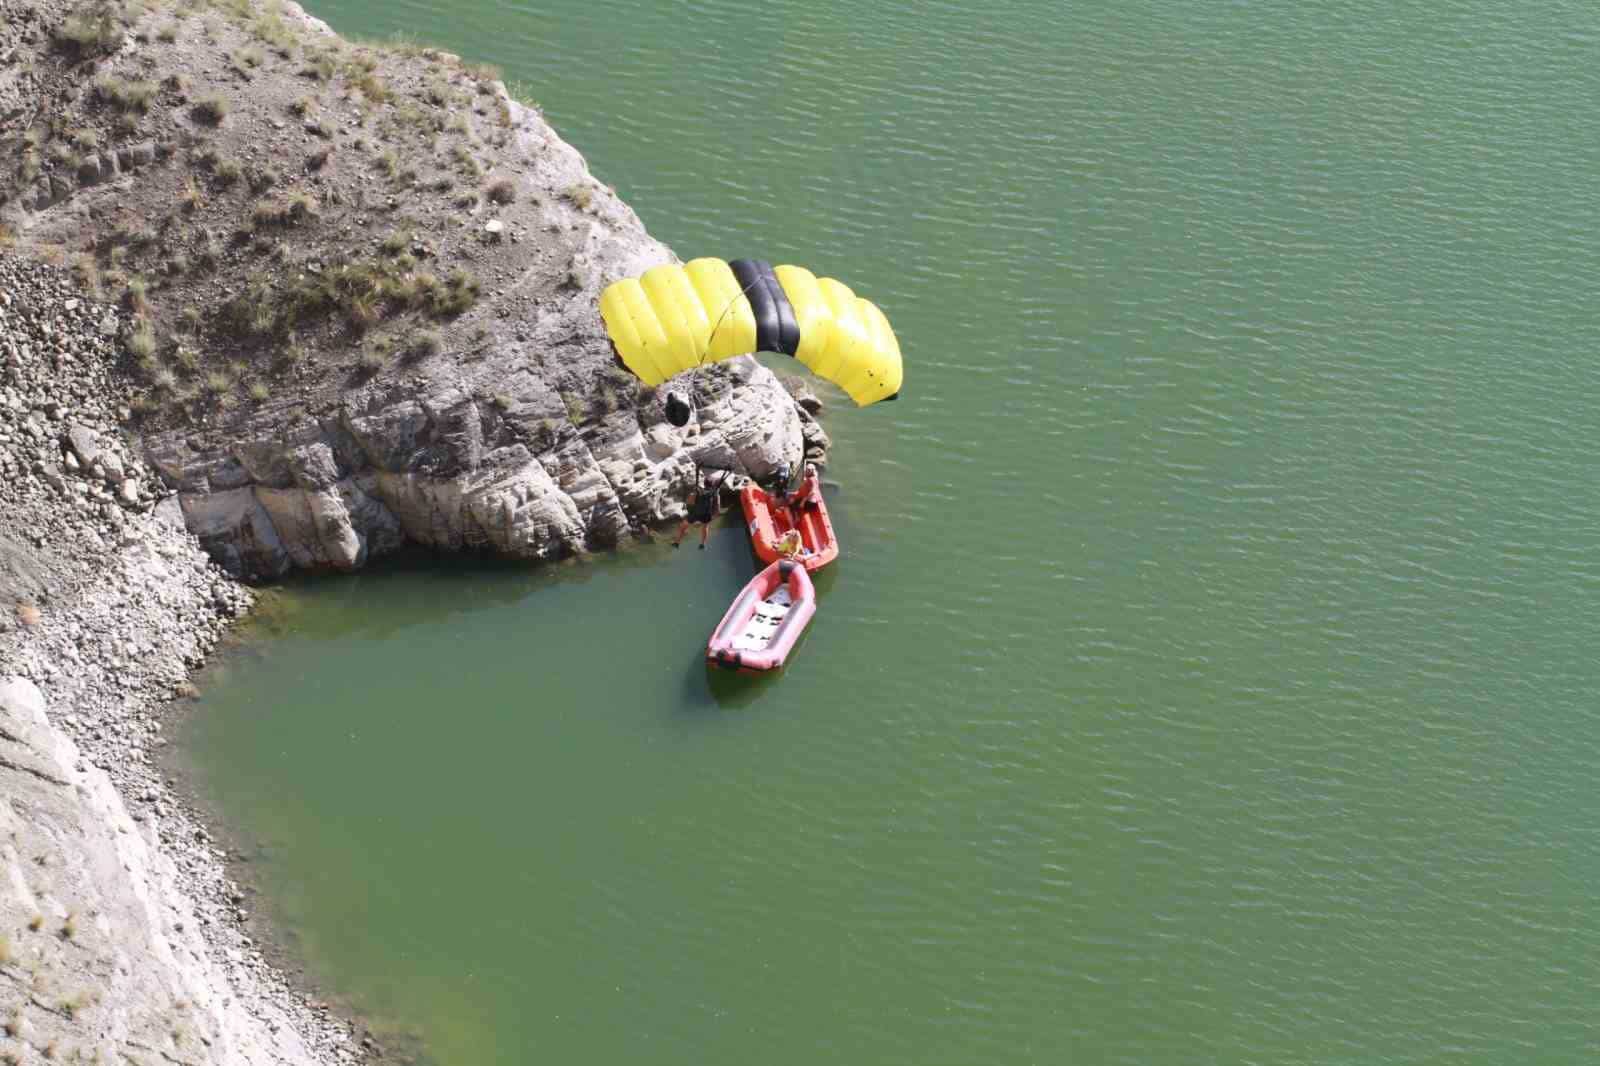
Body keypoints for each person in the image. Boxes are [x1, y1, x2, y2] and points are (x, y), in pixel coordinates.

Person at [672, 467, 729, 550]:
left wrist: (688, 506)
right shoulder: (715, 493)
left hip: (695, 514)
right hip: (706, 515)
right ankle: (703, 544)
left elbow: (689, 501)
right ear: (712, 485)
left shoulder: (698, 491)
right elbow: (717, 506)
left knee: (683, 526)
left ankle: (677, 542)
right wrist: (715, 514)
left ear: (704, 484)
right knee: (705, 527)